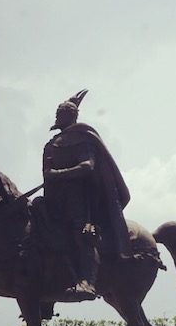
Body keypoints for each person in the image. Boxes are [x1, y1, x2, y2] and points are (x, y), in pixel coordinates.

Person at [42, 89, 131, 301]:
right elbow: (46, 172)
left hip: (79, 199)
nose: (57, 116)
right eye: (57, 113)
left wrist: (58, 174)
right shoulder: (51, 144)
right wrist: (51, 176)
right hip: (55, 198)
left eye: (61, 113)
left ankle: (87, 282)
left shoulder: (82, 139)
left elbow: (87, 166)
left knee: (82, 234)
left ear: (71, 116)